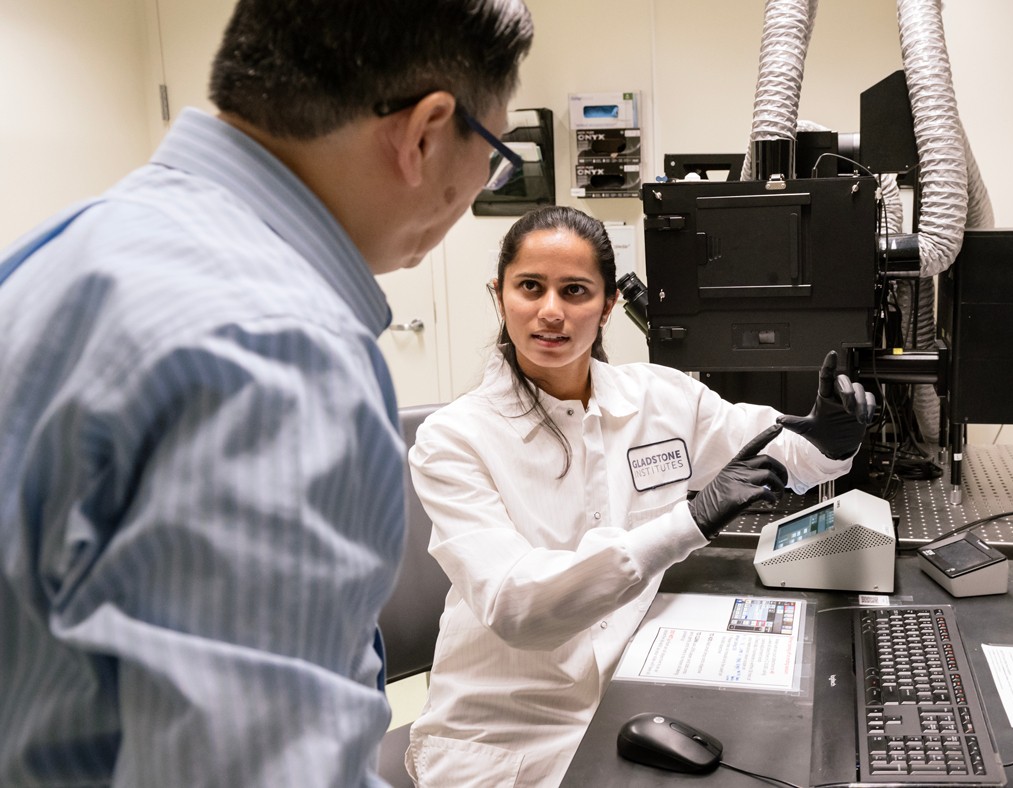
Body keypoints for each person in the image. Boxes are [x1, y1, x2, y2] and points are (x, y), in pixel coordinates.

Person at [0, 1, 533, 785]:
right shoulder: (281, 350)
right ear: (424, 132)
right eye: (492, 150)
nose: (481, 183)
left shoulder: (62, 252)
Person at [405, 205, 878, 786]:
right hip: (506, 732)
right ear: (499, 294)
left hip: (634, 693)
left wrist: (828, 439)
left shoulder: (658, 396)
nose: (550, 312)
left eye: (574, 291)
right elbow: (518, 608)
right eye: (530, 287)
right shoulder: (454, 439)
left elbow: (776, 451)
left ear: (606, 307)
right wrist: (687, 522)